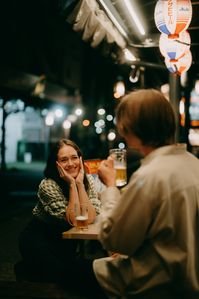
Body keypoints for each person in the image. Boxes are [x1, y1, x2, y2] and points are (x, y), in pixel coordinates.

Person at [93, 89, 199, 299]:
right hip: (189, 280)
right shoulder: (193, 164)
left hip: (155, 284)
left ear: (130, 128)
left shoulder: (150, 176)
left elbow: (116, 240)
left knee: (63, 270)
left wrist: (110, 186)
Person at [17, 139, 107, 297]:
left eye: (74, 157)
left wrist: (80, 184)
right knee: (65, 279)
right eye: (64, 160)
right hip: (40, 240)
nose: (71, 164)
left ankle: (28, 268)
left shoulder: (87, 182)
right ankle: (28, 268)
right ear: (56, 164)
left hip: (66, 243)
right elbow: (72, 220)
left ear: (80, 158)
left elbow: (89, 218)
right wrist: (72, 185)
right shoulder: (48, 185)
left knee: (71, 277)